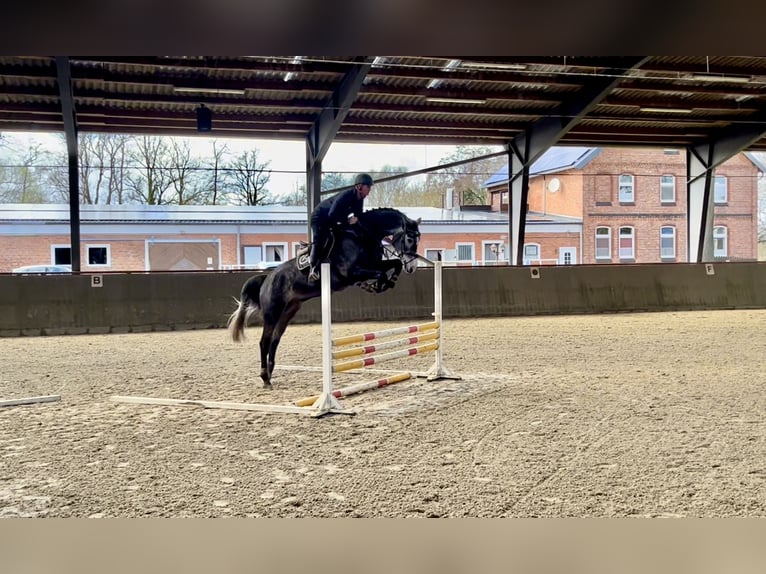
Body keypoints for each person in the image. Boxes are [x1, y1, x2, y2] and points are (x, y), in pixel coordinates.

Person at [308, 173, 373, 281]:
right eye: (368, 187)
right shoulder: (345, 196)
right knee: (320, 240)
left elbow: (359, 217)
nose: (369, 190)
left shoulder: (359, 200)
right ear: (359, 187)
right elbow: (332, 214)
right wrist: (348, 221)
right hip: (319, 218)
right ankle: (313, 269)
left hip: (332, 219)